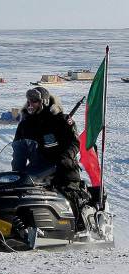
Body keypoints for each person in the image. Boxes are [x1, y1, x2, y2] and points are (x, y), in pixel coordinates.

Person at [12, 87, 89, 228]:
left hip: (62, 168)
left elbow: (75, 142)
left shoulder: (61, 120)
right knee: (18, 194)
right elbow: (19, 149)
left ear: (44, 102)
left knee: (67, 193)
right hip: (37, 171)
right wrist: (17, 171)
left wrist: (65, 157)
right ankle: (22, 224)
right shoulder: (24, 125)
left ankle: (79, 226)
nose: (30, 104)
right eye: (28, 101)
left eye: (34, 101)